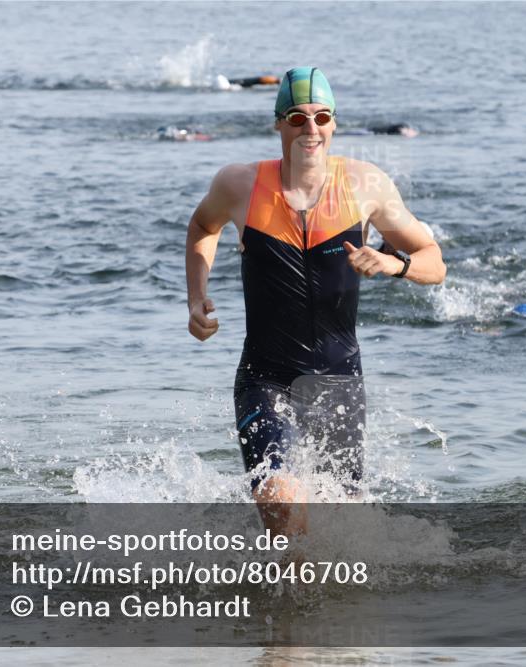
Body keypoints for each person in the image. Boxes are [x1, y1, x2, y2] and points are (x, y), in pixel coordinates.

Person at [185, 67, 445, 528]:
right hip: (265, 377)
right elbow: (203, 226)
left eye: (322, 117)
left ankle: (315, 598)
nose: (311, 129)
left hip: (339, 379)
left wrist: (395, 264)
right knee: (281, 501)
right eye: (298, 117)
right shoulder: (239, 185)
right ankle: (287, 596)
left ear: (334, 123)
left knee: (341, 524)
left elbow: (434, 261)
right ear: (278, 123)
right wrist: (196, 297)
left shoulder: (366, 185)